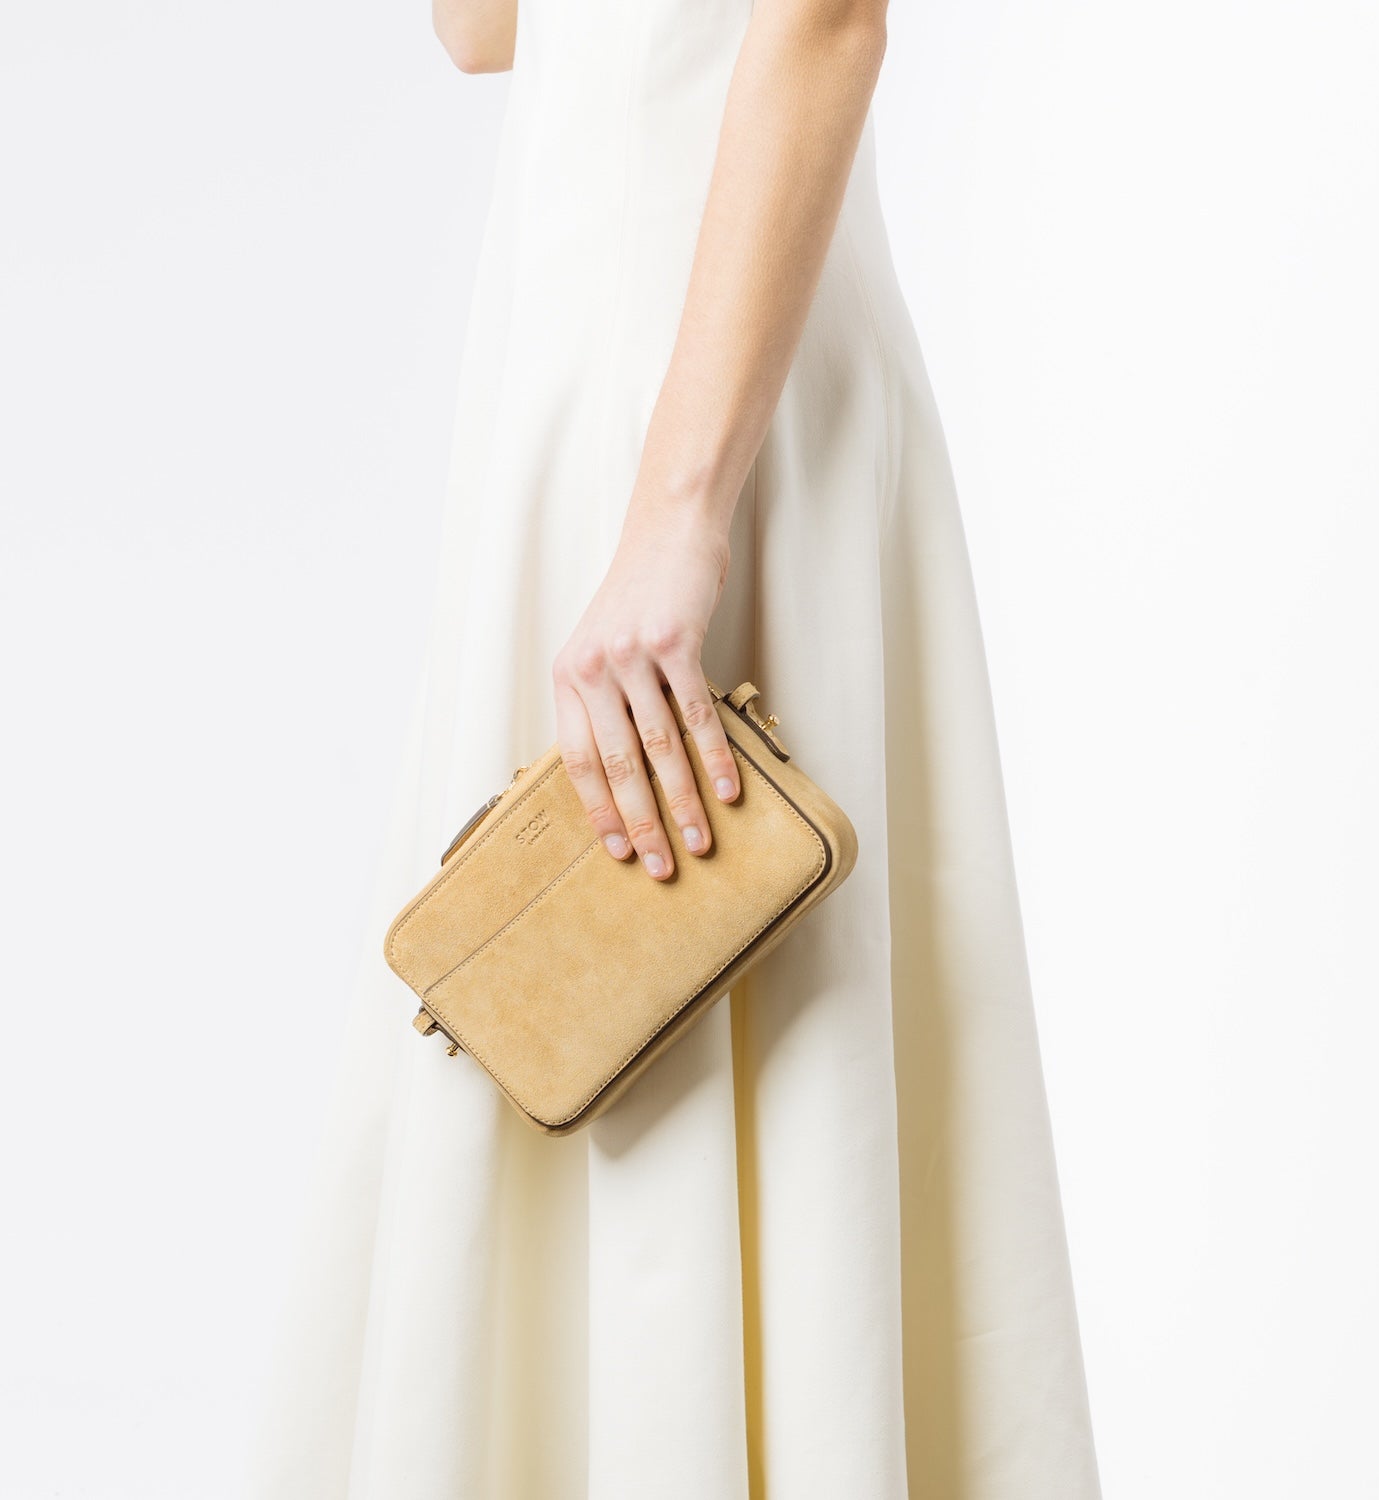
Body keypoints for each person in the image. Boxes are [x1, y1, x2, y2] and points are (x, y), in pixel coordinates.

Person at [243, 0, 1102, 1495]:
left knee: (691, 1009)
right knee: (568, 1018)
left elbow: (826, 16)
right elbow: (483, 29)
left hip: (700, 404)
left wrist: (681, 511)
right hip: (591, 374)